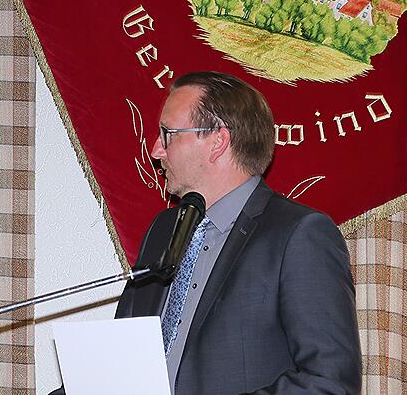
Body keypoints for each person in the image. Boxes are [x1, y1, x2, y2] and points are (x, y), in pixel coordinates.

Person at [113, 71, 361, 394]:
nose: (156, 150)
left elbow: (330, 382)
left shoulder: (299, 236)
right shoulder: (163, 231)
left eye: (168, 133)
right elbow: (120, 360)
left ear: (218, 142)